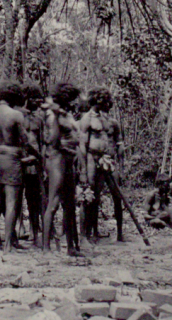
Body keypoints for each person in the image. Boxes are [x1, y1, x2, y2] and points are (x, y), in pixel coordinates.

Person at [0, 83, 34, 251]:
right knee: (11, 203)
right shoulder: (16, 115)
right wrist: (35, 156)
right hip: (12, 156)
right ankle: (7, 246)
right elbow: (25, 140)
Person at [41, 83, 83, 256]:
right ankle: (45, 248)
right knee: (54, 203)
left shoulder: (68, 115)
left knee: (70, 205)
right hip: (58, 160)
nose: (76, 103)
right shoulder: (54, 116)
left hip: (69, 160)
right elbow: (53, 142)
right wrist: (69, 151)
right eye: (73, 99)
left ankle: (72, 247)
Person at [80, 88, 126, 243]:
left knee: (117, 195)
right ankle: (90, 232)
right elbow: (83, 146)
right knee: (92, 196)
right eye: (104, 101)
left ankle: (120, 233)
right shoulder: (87, 119)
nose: (107, 104)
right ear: (97, 101)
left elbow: (119, 144)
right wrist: (84, 169)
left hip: (109, 159)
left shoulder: (112, 122)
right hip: (93, 158)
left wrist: (120, 164)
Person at [19, 84, 46, 244]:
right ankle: (19, 227)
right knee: (15, 197)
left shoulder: (38, 119)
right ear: (28, 99)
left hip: (34, 163)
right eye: (36, 99)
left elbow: (41, 142)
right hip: (18, 161)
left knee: (33, 197)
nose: (39, 102)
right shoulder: (17, 116)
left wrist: (41, 162)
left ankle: (34, 231)